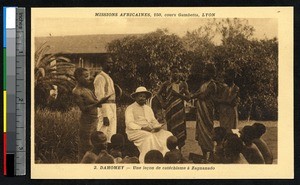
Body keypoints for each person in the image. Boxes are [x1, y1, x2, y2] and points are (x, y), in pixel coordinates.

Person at [125, 86, 173, 163]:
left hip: (150, 130)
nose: (142, 98)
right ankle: (150, 159)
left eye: (144, 97)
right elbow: (129, 123)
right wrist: (142, 128)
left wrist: (157, 126)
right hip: (135, 131)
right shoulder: (130, 108)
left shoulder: (148, 108)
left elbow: (153, 120)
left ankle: (167, 156)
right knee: (150, 137)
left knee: (167, 134)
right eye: (140, 96)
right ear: (136, 97)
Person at [72, 68, 110, 161]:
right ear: (78, 77)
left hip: (94, 119)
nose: (89, 78)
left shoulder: (87, 90)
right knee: (86, 145)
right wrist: (98, 103)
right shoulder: (76, 91)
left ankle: (92, 164)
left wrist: (103, 100)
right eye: (86, 76)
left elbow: (97, 102)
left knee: (93, 144)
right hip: (86, 121)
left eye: (89, 75)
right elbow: (84, 109)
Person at [156, 67, 190, 149]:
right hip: (169, 110)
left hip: (179, 110)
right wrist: (162, 103)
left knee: (180, 130)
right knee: (171, 130)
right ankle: (172, 151)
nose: (174, 74)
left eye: (176, 72)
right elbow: (158, 94)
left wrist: (179, 95)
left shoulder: (183, 84)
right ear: (170, 74)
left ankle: (180, 152)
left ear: (179, 73)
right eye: (173, 72)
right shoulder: (166, 84)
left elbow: (188, 97)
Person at [191, 63, 217, 161]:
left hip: (207, 112)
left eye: (206, 72)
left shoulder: (212, 84)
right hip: (201, 112)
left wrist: (193, 96)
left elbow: (203, 96)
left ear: (211, 73)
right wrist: (192, 95)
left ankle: (212, 153)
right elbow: (197, 93)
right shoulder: (203, 84)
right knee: (201, 133)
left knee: (208, 132)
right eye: (203, 72)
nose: (203, 73)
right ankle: (204, 154)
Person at [94, 65, 117, 143]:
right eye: (108, 63)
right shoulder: (100, 77)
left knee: (111, 132)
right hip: (105, 106)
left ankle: (108, 152)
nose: (110, 64)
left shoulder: (108, 77)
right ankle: (101, 152)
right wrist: (105, 115)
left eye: (111, 62)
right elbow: (100, 97)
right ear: (102, 64)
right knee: (103, 131)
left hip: (112, 106)